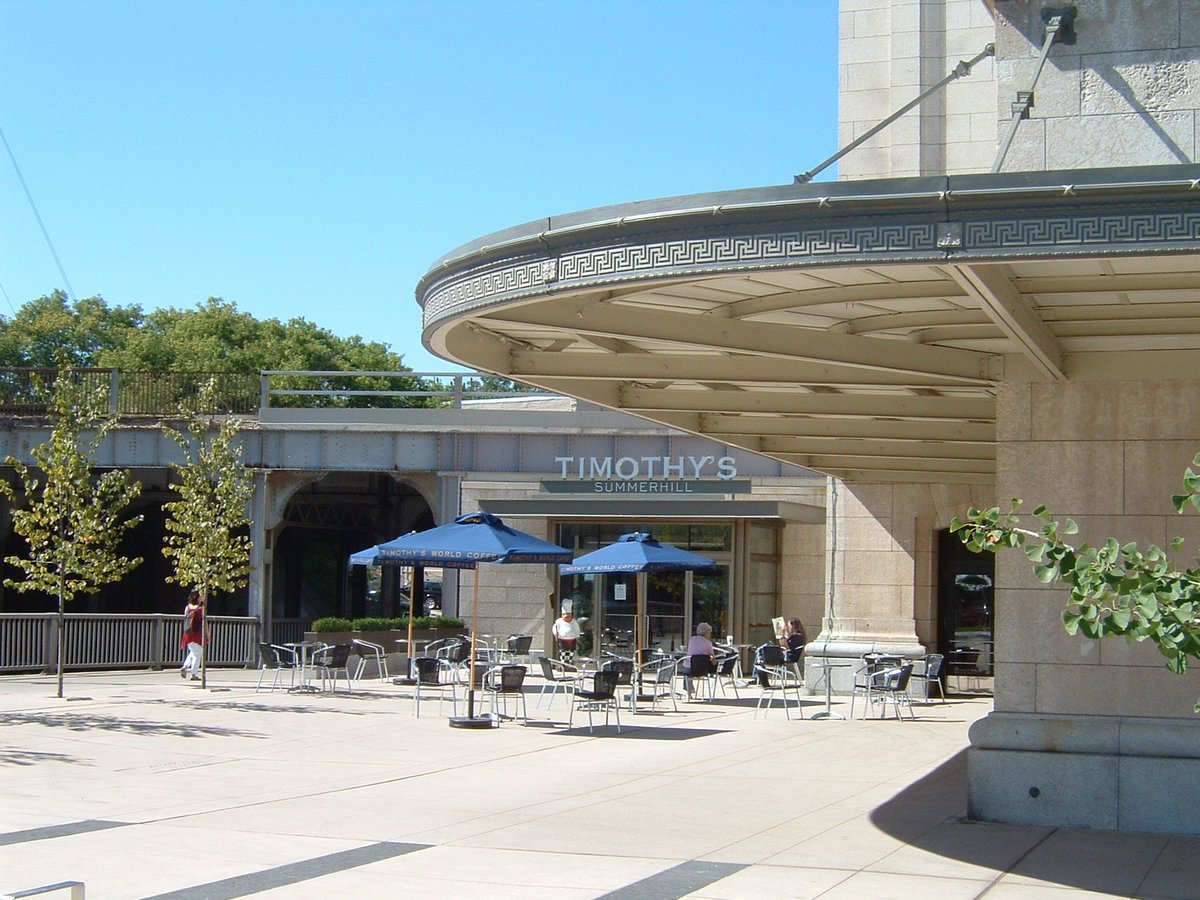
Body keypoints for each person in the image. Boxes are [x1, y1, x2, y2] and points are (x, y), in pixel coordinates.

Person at [679, 622, 717, 696]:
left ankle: (688, 691)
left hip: (689, 669)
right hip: (702, 670)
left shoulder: (692, 640)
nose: (710, 635)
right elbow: (713, 658)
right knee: (692, 667)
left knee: (687, 669)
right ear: (706, 633)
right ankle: (690, 690)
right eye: (709, 632)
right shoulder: (708, 643)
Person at [180, 590, 204, 681]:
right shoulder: (201, 608)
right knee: (198, 652)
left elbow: (186, 619)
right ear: (198, 597)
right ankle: (194, 674)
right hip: (197, 633)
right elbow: (204, 622)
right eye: (202, 595)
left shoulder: (187, 607)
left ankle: (185, 666)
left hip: (188, 633)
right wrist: (208, 633)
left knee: (193, 651)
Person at [552, 600, 581, 665]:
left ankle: (570, 662)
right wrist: (555, 634)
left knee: (571, 651)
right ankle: (563, 662)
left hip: (572, 639)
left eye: (569, 614)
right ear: (562, 615)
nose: (566, 616)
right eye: (564, 614)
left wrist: (578, 637)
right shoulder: (559, 621)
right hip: (562, 639)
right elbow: (555, 628)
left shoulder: (574, 622)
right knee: (563, 651)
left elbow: (577, 630)